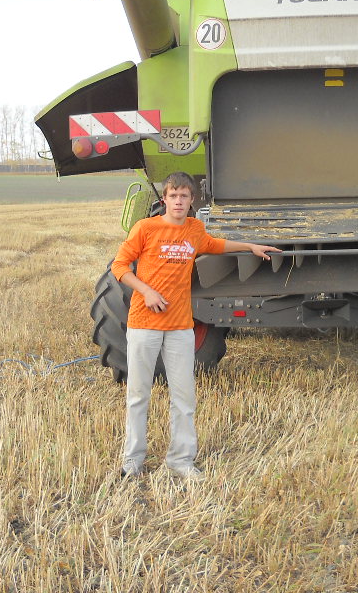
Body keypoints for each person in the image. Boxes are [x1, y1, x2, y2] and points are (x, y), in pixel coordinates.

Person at [111, 172, 279, 480]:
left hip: (180, 327)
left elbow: (215, 245)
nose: (178, 201)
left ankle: (181, 460)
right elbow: (119, 266)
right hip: (144, 324)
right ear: (164, 199)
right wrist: (146, 291)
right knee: (138, 396)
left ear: (191, 201)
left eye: (184, 196)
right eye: (173, 195)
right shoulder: (145, 228)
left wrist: (250, 246)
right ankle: (132, 461)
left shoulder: (194, 229)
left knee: (184, 398)